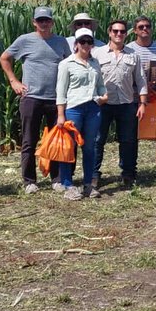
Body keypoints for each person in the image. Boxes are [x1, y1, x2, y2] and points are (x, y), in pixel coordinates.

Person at [0, 7, 71, 194]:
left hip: (56, 99)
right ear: (34, 22)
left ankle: (56, 179)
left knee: (56, 141)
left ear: (52, 22)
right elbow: (5, 58)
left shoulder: (61, 42)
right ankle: (29, 181)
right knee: (29, 141)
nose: (44, 23)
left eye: (47, 20)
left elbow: (69, 64)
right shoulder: (24, 41)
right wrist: (14, 81)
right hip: (31, 97)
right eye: (40, 20)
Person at [92, 19, 147, 189]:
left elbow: (141, 80)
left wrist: (143, 103)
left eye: (122, 32)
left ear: (126, 34)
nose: (118, 34)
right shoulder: (97, 54)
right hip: (102, 104)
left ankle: (129, 173)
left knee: (129, 140)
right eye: (115, 31)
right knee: (97, 140)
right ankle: (93, 175)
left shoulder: (133, 55)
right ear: (109, 32)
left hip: (126, 103)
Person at [56, 28, 108, 199]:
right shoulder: (66, 64)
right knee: (68, 147)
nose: (86, 45)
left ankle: (88, 184)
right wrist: (61, 114)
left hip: (93, 108)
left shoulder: (95, 63)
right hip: (73, 109)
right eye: (83, 41)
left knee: (90, 147)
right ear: (76, 44)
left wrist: (103, 95)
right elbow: (61, 91)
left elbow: (100, 85)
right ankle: (67, 184)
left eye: (89, 41)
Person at [127, 15, 156, 176]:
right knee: (131, 135)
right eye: (141, 27)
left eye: (147, 26)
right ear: (134, 31)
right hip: (134, 98)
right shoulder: (129, 49)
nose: (145, 29)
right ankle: (130, 169)